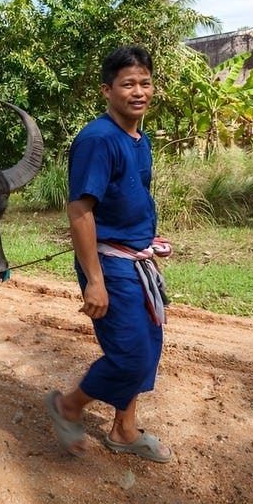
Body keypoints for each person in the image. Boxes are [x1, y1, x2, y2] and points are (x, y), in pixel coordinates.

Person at [45, 45, 173, 463]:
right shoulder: (98, 140)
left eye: (145, 83)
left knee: (147, 348)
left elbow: (131, 195)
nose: (138, 92)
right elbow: (80, 209)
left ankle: (124, 428)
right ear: (107, 90)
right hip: (110, 265)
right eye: (128, 84)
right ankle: (69, 406)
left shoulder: (139, 138)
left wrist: (146, 239)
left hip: (137, 261)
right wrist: (95, 280)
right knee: (130, 354)